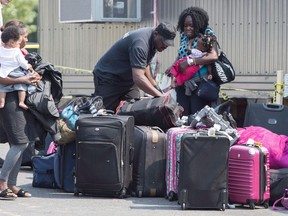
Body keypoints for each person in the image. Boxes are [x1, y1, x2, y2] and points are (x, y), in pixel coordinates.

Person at [93, 22, 176, 112]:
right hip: (109, 78)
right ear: (156, 34)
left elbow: (144, 64)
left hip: (128, 80)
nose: (165, 46)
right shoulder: (140, 43)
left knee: (134, 111)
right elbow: (138, 78)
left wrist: (153, 83)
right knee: (102, 114)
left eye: (168, 44)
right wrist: (160, 97)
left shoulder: (154, 40)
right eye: (163, 42)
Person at [0, 20, 41, 200]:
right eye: (24, 36)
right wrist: (22, 81)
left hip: (15, 99)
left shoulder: (17, 51)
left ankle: (11, 184)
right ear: (14, 37)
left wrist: (33, 77)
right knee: (20, 142)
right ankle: (2, 183)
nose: (26, 39)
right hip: (9, 101)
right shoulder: (5, 51)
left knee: (16, 142)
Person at [169, 7, 219, 116]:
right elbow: (181, 53)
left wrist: (190, 62)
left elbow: (214, 56)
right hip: (182, 84)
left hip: (199, 84)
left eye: (191, 26)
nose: (188, 28)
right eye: (185, 25)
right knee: (183, 117)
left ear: (199, 24)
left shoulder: (207, 33)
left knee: (198, 118)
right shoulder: (183, 35)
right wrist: (173, 66)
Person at [0, 25, 33, 110]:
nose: (19, 44)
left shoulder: (1, 50)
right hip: (16, 71)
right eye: (18, 42)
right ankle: (21, 102)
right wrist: (27, 66)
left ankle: (1, 102)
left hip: (3, 72)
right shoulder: (17, 51)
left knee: (2, 88)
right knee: (21, 86)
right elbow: (22, 62)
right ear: (12, 42)